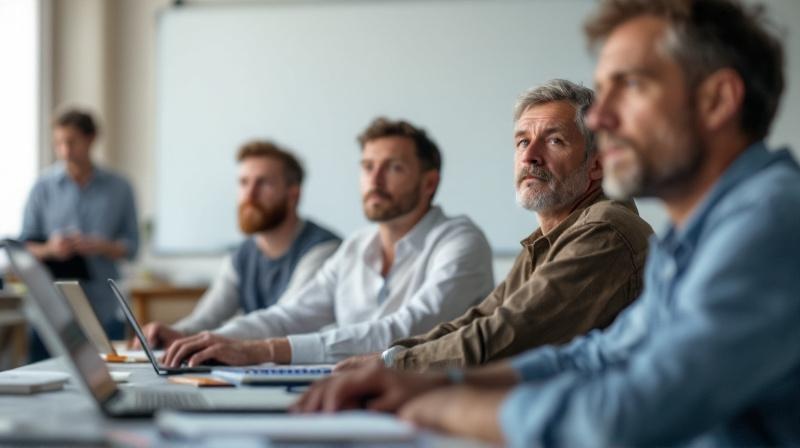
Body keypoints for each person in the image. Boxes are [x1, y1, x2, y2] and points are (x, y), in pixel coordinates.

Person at [293, 0, 800, 445]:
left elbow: (624, 415)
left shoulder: (771, 224)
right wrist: (435, 381)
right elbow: (596, 357)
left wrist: (434, 403)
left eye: (631, 86)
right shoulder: (693, 238)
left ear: (716, 101)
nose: (601, 120)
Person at [337, 79, 653, 372]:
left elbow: (509, 337)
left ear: (598, 163)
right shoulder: (546, 242)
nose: (530, 156)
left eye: (554, 141)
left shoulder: (606, 229)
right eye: (521, 142)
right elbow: (479, 320)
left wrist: (394, 365)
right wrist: (389, 356)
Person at [161, 117, 494, 367]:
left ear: (428, 183)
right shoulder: (355, 247)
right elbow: (288, 315)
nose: (374, 180)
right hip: (354, 394)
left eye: (393, 168)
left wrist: (266, 350)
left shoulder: (462, 242)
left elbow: (408, 330)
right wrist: (208, 340)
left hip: (432, 401)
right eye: (367, 167)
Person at [136, 141, 341, 349]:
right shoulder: (241, 255)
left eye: (263, 183)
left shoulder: (324, 250)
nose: (249, 195)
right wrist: (176, 333)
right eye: (243, 183)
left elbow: (286, 322)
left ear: (293, 195)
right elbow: (206, 318)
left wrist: (202, 340)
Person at [21, 108, 139, 359]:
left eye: (71, 142)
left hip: (103, 306)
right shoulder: (42, 188)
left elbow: (133, 246)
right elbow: (23, 247)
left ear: (91, 138)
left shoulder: (120, 187)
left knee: (109, 375)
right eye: (58, 143)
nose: (65, 150)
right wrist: (50, 249)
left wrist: (101, 246)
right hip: (51, 307)